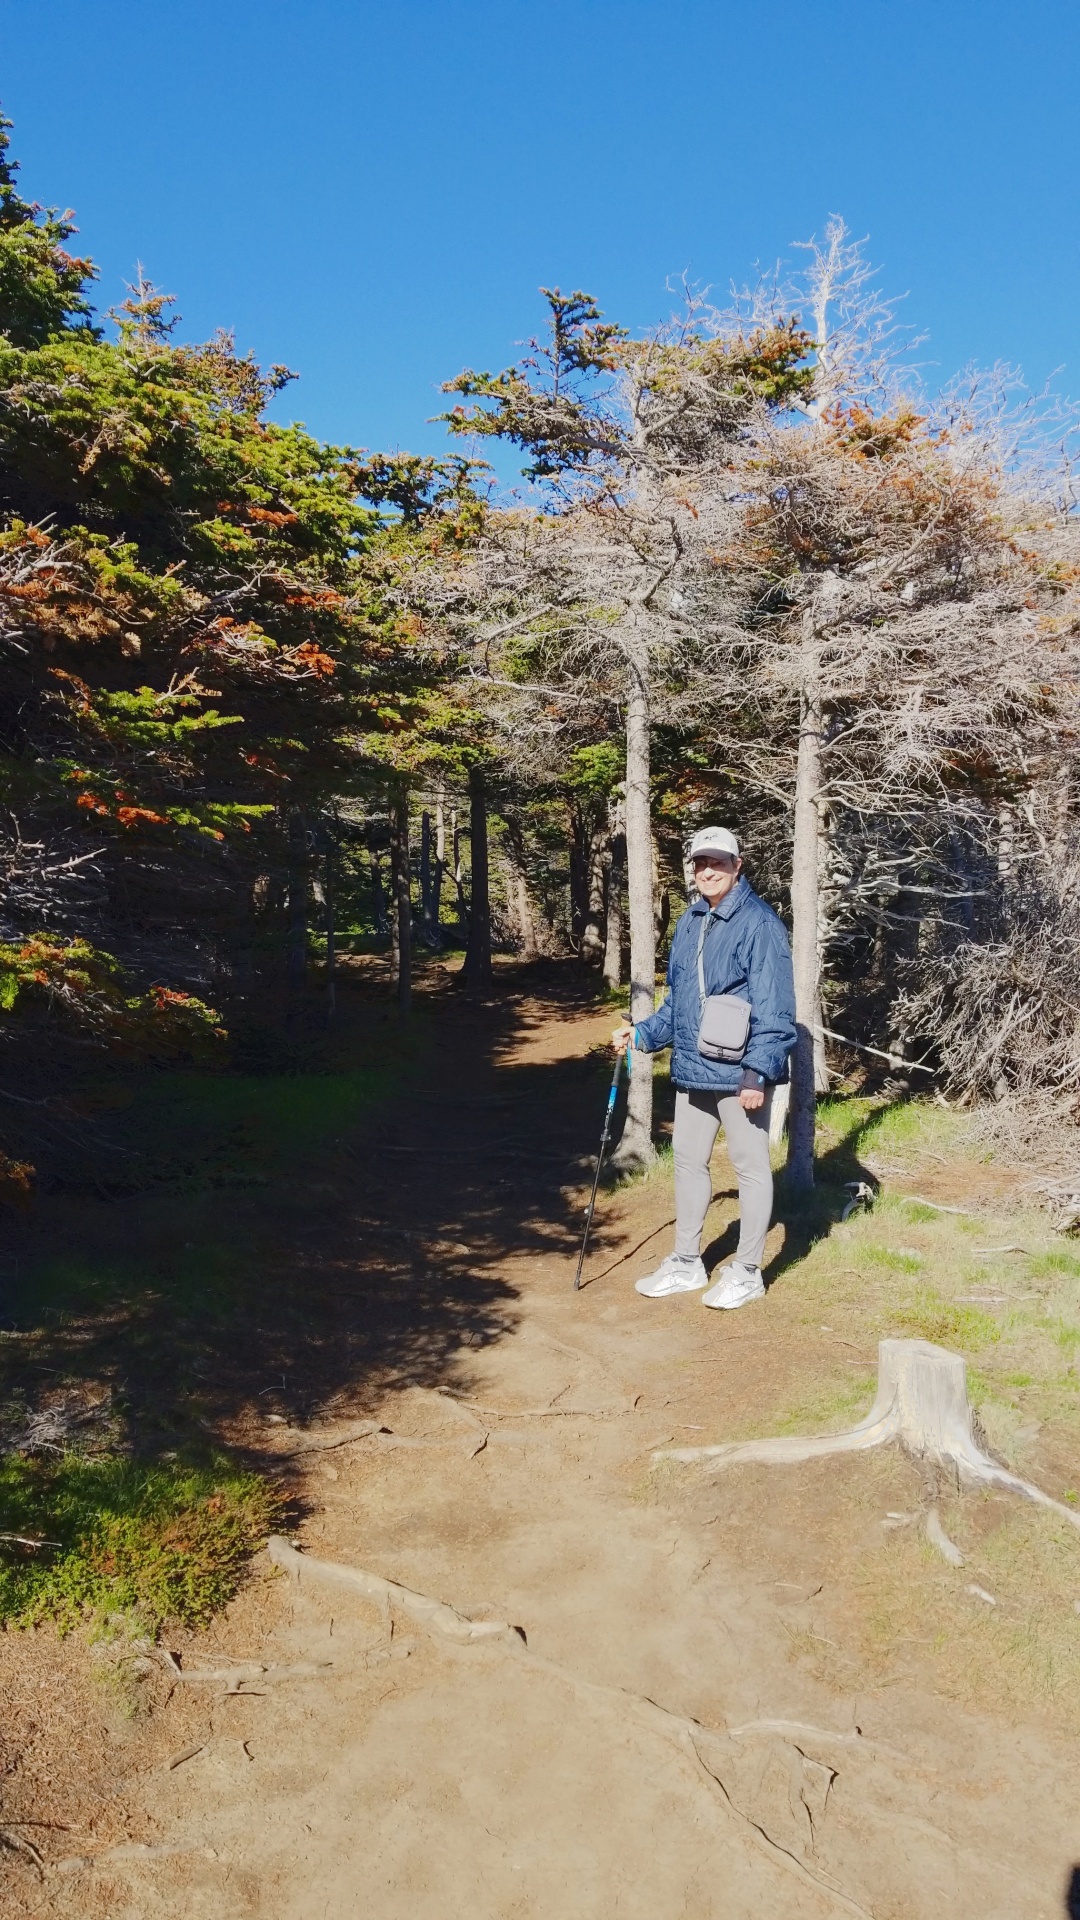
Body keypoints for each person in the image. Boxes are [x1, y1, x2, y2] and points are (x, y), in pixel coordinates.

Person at [611, 827, 796, 1309]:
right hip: (695, 1069)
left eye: (718, 862)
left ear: (737, 866)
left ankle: (748, 1272)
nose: (708, 871)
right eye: (700, 863)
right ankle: (687, 1263)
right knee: (688, 1161)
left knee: (750, 1167)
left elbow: (775, 1007)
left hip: (740, 1074)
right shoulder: (690, 921)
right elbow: (679, 1004)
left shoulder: (760, 923)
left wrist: (758, 1074)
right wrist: (643, 1035)